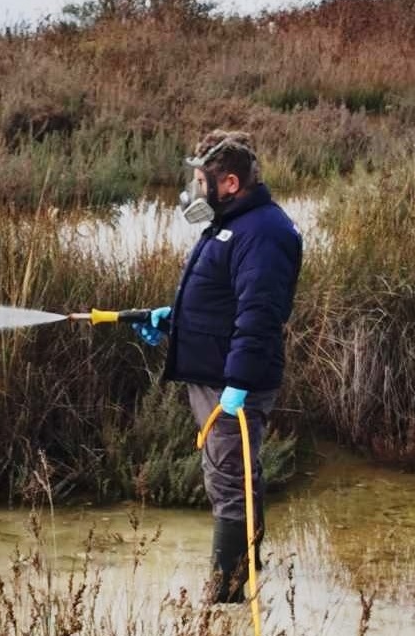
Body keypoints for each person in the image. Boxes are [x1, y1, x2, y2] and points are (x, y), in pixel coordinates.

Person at [134, 130, 303, 604]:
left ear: (228, 182)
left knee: (232, 483)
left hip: (233, 385)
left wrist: (239, 385)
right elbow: (224, 299)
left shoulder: (264, 233)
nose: (193, 189)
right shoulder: (231, 223)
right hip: (215, 376)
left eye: (199, 180)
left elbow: (258, 316)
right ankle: (240, 572)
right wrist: (175, 320)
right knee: (227, 478)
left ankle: (228, 597)